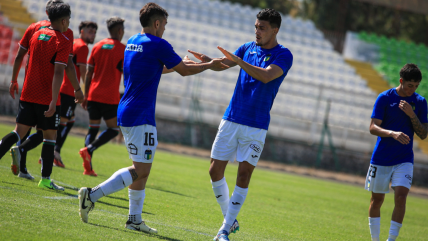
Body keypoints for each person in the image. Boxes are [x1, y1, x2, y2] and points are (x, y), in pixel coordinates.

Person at [78, 2, 228, 233]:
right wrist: (209, 64)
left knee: (141, 167)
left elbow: (152, 68)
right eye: (164, 25)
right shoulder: (159, 44)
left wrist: (179, 65)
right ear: (157, 23)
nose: (165, 29)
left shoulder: (133, 43)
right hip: (141, 114)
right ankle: (92, 195)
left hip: (127, 110)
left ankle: (134, 220)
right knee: (142, 169)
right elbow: (184, 71)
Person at [188, 8, 293, 241]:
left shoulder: (284, 55)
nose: (257, 31)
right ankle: (230, 219)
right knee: (214, 170)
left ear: (274, 30)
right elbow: (224, 64)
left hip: (256, 125)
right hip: (232, 118)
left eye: (262, 28)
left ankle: (223, 231)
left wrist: (238, 61)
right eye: (256, 26)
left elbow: (266, 76)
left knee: (244, 175)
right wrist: (207, 62)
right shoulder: (247, 48)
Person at [0, 2, 74, 190]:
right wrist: (53, 100)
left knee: (18, 132)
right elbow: (59, 73)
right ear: (64, 20)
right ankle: (46, 179)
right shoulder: (62, 40)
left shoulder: (35, 31)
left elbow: (19, 56)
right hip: (46, 97)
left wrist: (14, 80)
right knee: (50, 137)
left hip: (28, 92)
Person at [366, 63, 427, 241]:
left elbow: (423, 134)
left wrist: (412, 114)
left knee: (401, 197)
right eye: (410, 85)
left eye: (416, 86)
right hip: (381, 157)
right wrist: (392, 133)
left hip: (404, 159)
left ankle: (391, 240)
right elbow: (372, 127)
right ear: (401, 81)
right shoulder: (385, 98)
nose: (413, 89)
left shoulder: (420, 102)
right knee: (377, 200)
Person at [78, 17, 126, 177]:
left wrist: (85, 94)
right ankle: (89, 149)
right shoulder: (122, 49)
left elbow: (88, 72)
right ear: (120, 31)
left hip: (92, 94)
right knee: (113, 129)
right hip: (109, 97)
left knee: (92, 129)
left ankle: (88, 167)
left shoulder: (97, 46)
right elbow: (127, 74)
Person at [54, 21, 97, 167]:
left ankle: (55, 151)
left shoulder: (74, 43)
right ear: (82, 31)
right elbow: (83, 72)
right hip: (69, 90)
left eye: (94, 32)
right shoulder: (83, 47)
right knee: (61, 123)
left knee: (69, 121)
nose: (93, 35)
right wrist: (85, 92)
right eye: (90, 31)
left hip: (64, 87)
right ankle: (52, 153)